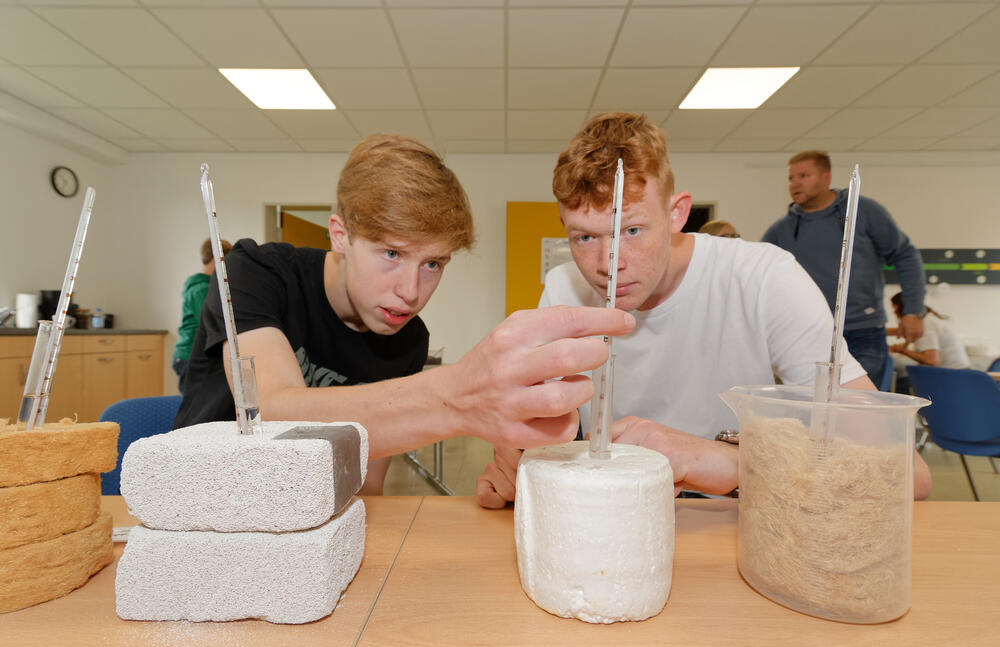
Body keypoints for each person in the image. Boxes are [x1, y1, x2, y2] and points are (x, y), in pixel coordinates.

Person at [476, 113, 931, 507]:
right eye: (584, 237)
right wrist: (516, 462)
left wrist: (725, 463)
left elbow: (906, 473)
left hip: (746, 517)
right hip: (618, 519)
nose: (607, 265)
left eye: (631, 230)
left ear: (677, 213)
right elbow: (529, 430)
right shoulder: (563, 288)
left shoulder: (764, 278)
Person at [173, 134, 635, 494]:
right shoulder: (254, 272)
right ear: (340, 234)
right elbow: (268, 410)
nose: (411, 292)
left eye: (433, 263)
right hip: (199, 503)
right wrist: (458, 396)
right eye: (391, 253)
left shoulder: (407, 338)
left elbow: (366, 483)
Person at [762, 151, 926, 387]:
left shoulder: (863, 211)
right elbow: (761, 278)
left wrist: (913, 310)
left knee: (861, 409)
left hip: (863, 331)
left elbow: (905, 255)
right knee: (814, 411)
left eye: (803, 175)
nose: (795, 183)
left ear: (826, 177)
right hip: (809, 333)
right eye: (791, 178)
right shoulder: (781, 230)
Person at [172, 238, 232, 392]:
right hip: (189, 355)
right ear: (216, 260)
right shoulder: (202, 289)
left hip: (191, 355)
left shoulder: (204, 287)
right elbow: (215, 323)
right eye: (226, 262)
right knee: (194, 406)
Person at [888, 292, 970, 394]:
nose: (894, 312)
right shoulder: (929, 320)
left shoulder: (926, 325)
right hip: (958, 373)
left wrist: (903, 350)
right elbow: (900, 331)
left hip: (951, 376)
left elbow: (931, 360)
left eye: (894, 308)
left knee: (900, 379)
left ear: (902, 308)